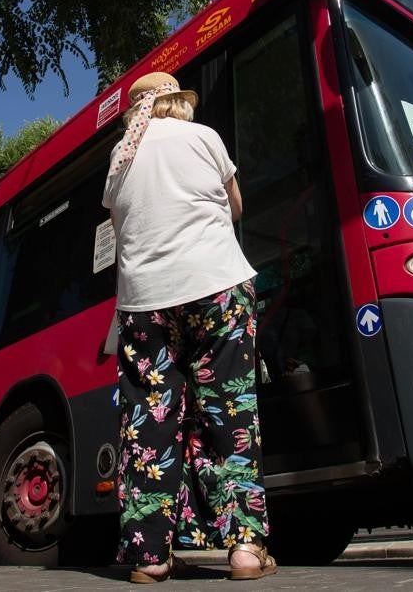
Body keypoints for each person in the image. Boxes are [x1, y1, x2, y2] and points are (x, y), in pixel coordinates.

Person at [103, 72, 274, 582]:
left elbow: (122, 232)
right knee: (229, 411)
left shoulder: (119, 157)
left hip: (143, 303)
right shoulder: (203, 137)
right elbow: (236, 206)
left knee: (149, 423)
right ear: (177, 103)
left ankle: (150, 555)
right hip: (215, 286)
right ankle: (245, 549)